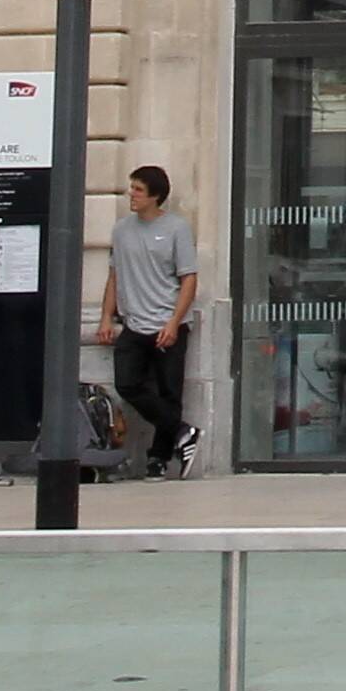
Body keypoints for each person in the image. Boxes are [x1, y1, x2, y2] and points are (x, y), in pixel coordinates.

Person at [101, 164, 201, 478]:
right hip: (133, 324)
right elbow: (114, 276)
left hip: (167, 323)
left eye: (138, 189)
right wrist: (106, 316)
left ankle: (158, 459)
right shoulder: (121, 229)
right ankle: (184, 431)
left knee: (170, 393)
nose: (131, 194)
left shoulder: (177, 228)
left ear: (155, 196)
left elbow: (189, 279)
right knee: (127, 384)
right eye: (131, 187)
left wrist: (173, 323)